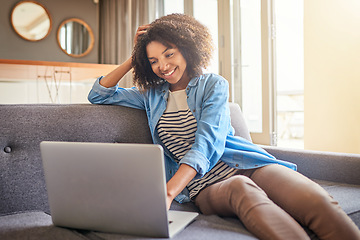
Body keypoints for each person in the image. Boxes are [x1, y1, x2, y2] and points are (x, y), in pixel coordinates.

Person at [88, 14, 360, 240]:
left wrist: (168, 191)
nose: (163, 66)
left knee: (317, 201)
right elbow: (99, 94)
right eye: (154, 61)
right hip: (206, 185)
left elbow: (207, 142)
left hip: (248, 164)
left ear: (187, 47)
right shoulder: (150, 96)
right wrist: (135, 55)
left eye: (169, 54)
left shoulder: (213, 85)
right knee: (241, 188)